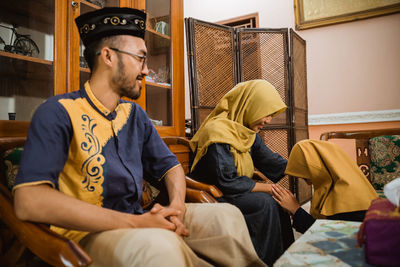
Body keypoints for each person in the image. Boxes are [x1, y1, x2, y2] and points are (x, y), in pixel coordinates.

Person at [12, 7, 266, 267]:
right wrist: (138, 222)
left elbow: (171, 167)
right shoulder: (58, 112)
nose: (146, 70)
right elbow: (29, 201)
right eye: (141, 58)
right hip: (86, 236)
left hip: (140, 217)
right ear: (108, 57)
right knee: (158, 247)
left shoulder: (134, 114)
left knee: (225, 217)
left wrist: (177, 206)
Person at [189, 79, 295, 265]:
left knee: (278, 201)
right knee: (265, 202)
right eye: (266, 114)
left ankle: (285, 260)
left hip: (236, 189)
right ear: (250, 105)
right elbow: (226, 181)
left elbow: (271, 162)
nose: (268, 121)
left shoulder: (246, 132)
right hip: (216, 192)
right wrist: (270, 189)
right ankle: (262, 262)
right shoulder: (217, 132)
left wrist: (306, 166)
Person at [272, 139, 378, 234]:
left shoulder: (347, 195)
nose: (301, 177)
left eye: (305, 170)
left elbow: (325, 233)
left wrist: (296, 210)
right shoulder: (340, 182)